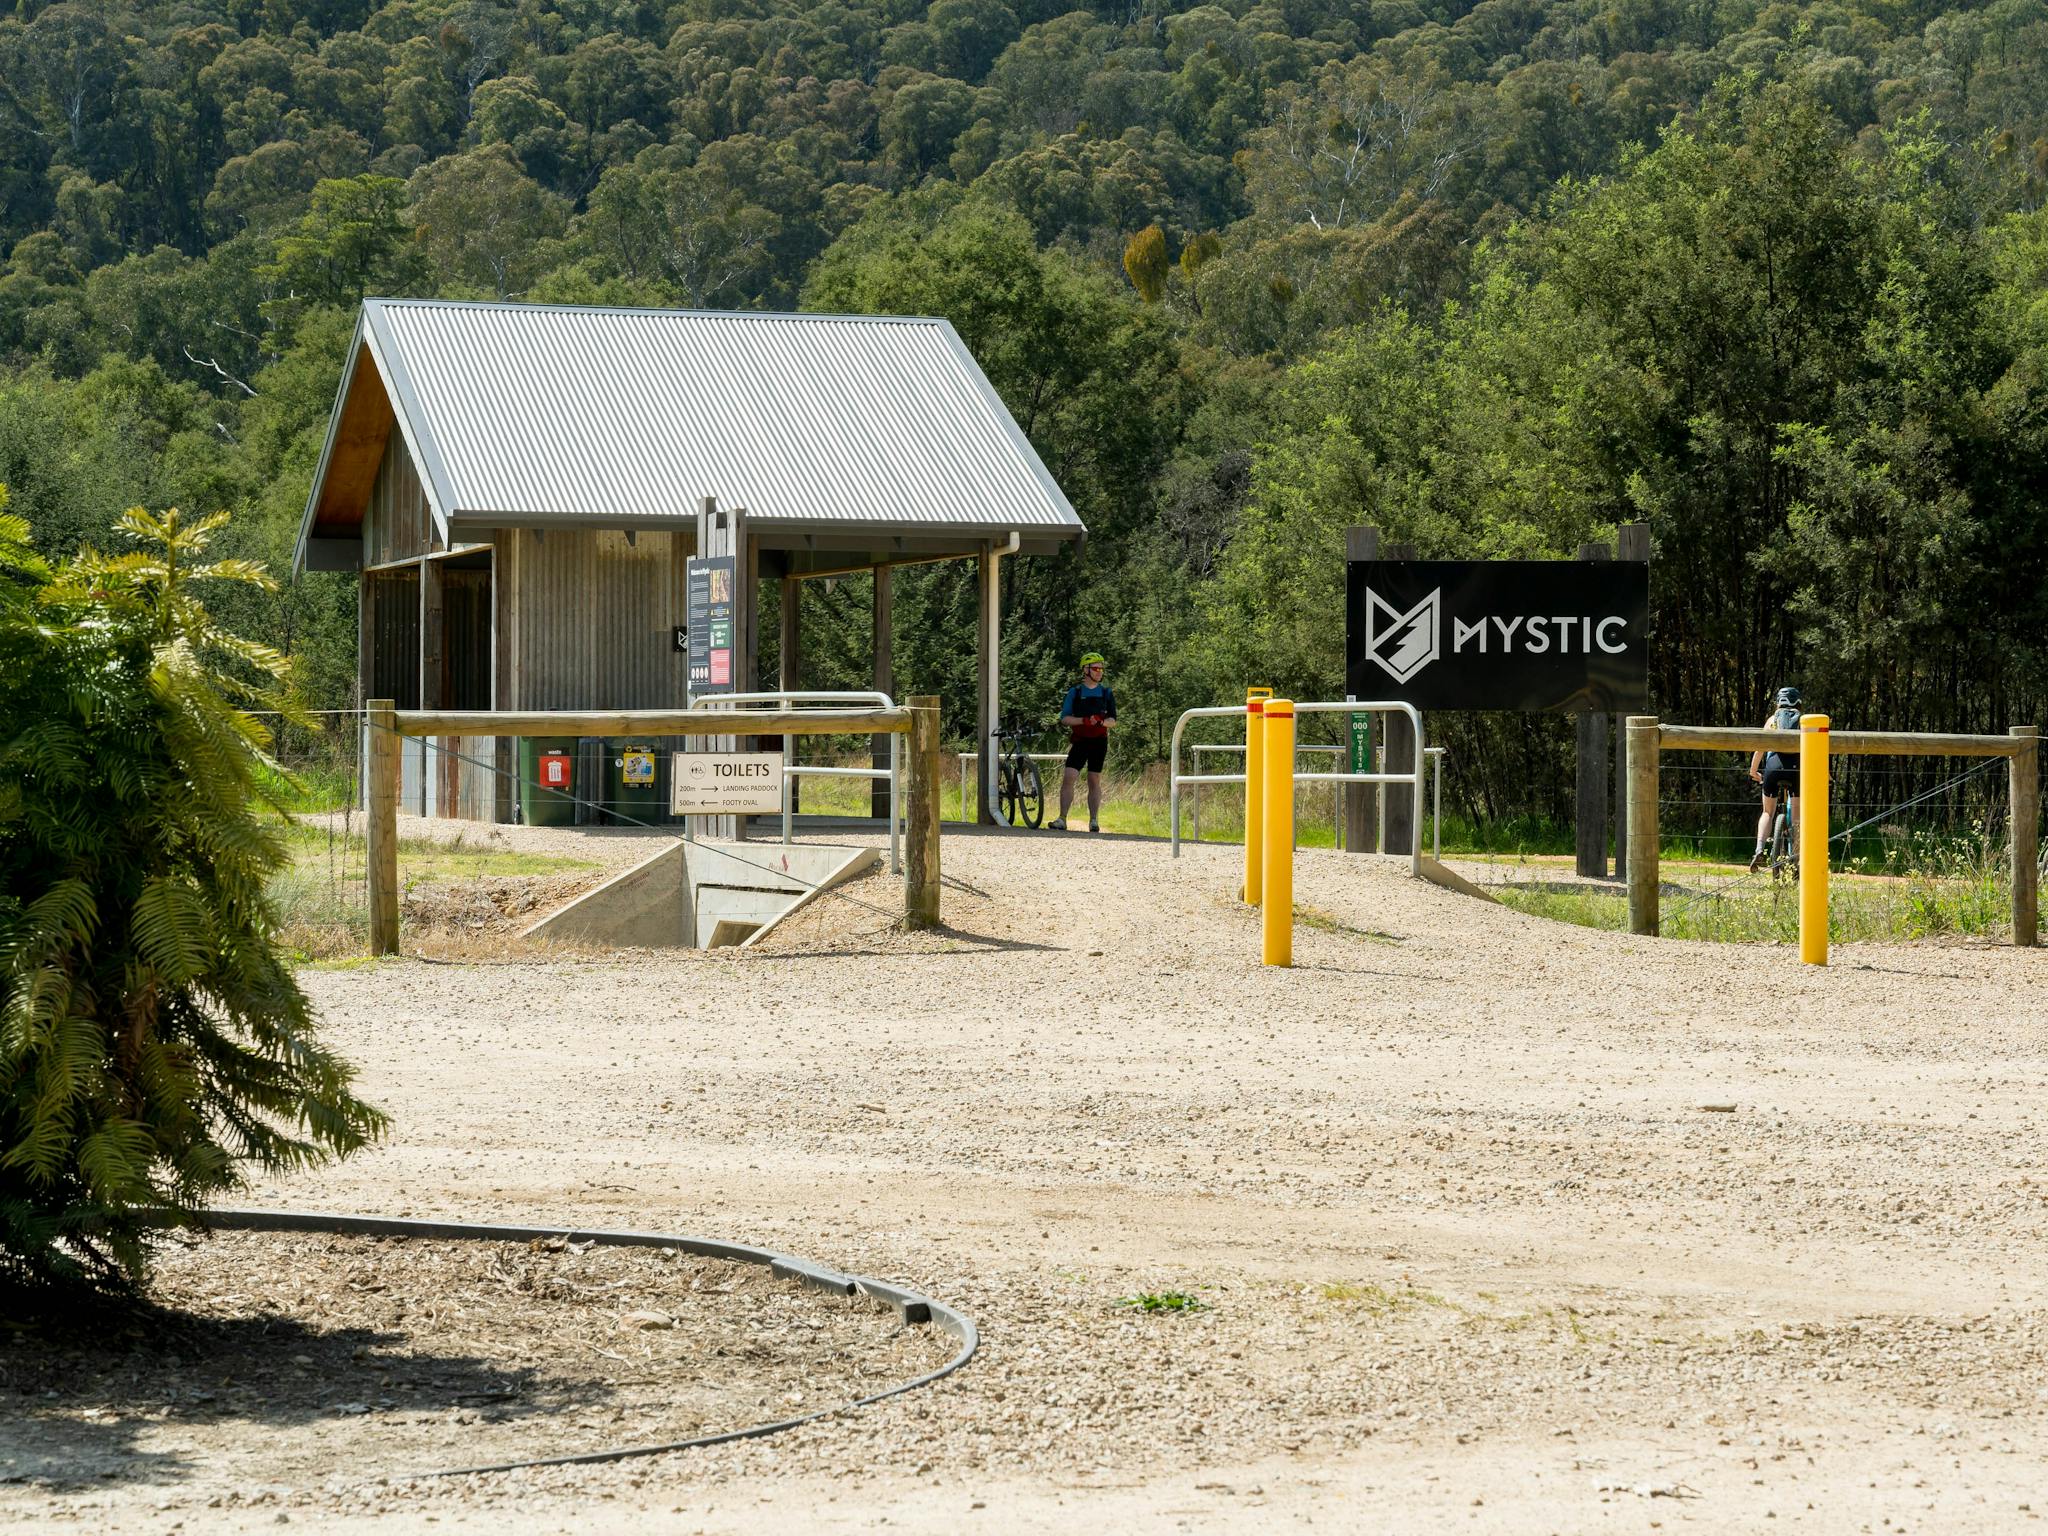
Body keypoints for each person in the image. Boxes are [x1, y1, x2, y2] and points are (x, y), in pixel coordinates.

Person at [1049, 652, 1117, 832]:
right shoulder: (1075, 692)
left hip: (1099, 742)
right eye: (1095, 668)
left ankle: (1094, 820)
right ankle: (1062, 818)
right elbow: (1064, 718)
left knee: (1094, 780)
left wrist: (1101, 722)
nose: (1099, 672)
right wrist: (1083, 720)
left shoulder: (1106, 693)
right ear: (1085, 670)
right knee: (1069, 777)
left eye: (1101, 669)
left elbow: (1113, 721)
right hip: (1080, 741)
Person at [1748, 685, 1804, 872]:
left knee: (1767, 812)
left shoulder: (1772, 720)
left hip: (1773, 767)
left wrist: (1753, 770)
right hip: (1796, 769)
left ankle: (1759, 849)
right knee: (1796, 818)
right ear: (1798, 702)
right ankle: (1796, 859)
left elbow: (1760, 748)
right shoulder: (1804, 721)